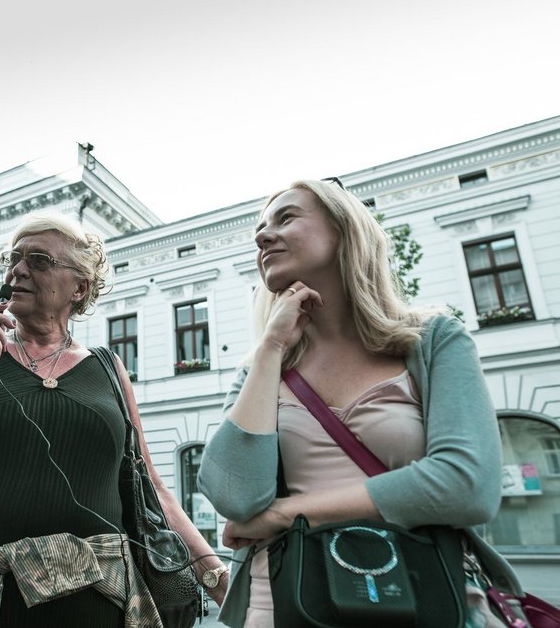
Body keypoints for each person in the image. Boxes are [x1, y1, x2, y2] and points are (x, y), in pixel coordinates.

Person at [0, 211, 227, 628]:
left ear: (79, 288)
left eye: (39, 260)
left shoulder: (109, 368)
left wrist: (215, 576)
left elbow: (151, 486)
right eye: (14, 259)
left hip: (93, 603)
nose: (18, 270)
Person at [197, 179, 502, 627]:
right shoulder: (260, 370)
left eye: (286, 218)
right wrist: (270, 348)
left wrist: (286, 514)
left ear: (344, 230)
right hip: (282, 606)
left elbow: (466, 484)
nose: (262, 236)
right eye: (260, 229)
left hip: (424, 598)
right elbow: (235, 498)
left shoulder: (432, 341)